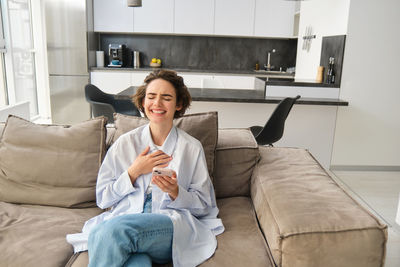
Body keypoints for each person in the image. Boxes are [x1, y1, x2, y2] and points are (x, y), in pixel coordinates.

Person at [66, 69, 224, 267]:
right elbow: (103, 198)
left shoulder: (191, 148)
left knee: (109, 231)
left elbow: (205, 206)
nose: (157, 103)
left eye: (166, 98)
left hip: (168, 226)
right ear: (143, 102)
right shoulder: (125, 144)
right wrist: (133, 172)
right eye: (151, 97)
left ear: (179, 104)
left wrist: (176, 192)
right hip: (127, 219)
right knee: (137, 262)